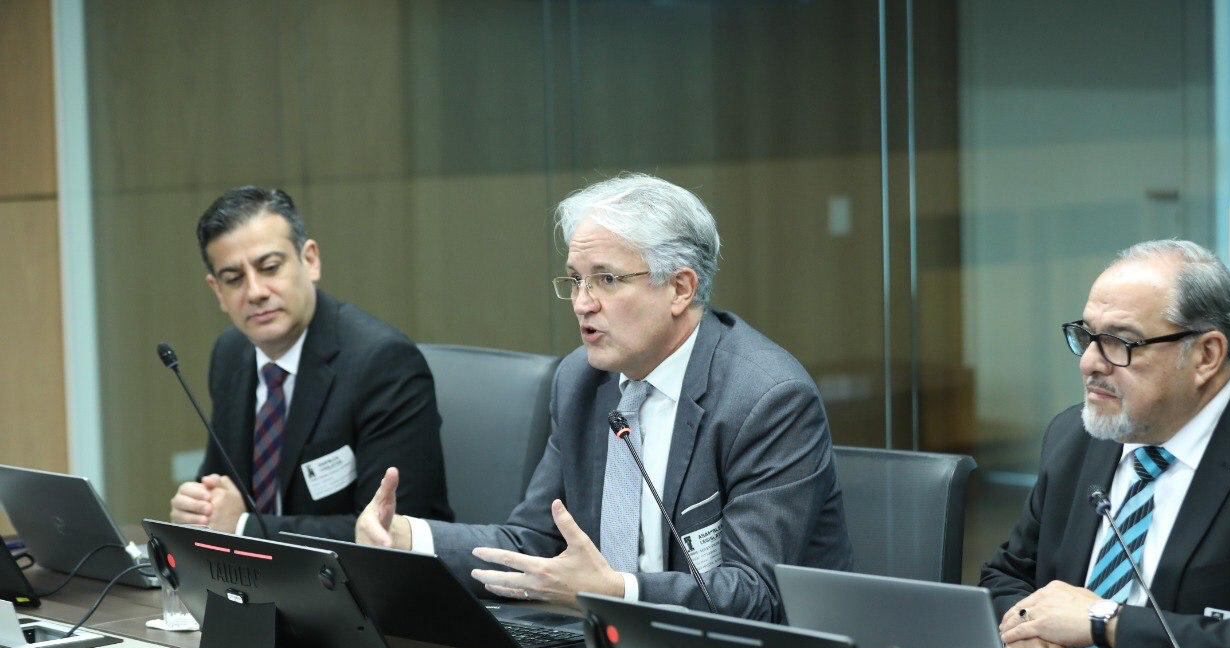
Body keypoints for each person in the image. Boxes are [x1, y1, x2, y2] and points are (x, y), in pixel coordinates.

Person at [357, 174, 851, 620]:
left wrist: (615, 592)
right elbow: (535, 543)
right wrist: (410, 539)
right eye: (575, 280)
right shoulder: (582, 381)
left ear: (679, 289)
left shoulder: (766, 399)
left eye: (606, 280)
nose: (581, 303)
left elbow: (755, 594)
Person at [983, 239, 1230, 648]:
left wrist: (1107, 623)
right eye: (1087, 336)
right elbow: (1009, 576)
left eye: (1121, 342)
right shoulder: (1076, 437)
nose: (1090, 363)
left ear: (1206, 354)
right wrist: (1028, 635)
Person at [169, 186, 452, 539]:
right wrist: (201, 507)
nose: (255, 291)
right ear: (217, 292)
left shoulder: (383, 363)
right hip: (264, 583)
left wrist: (244, 527)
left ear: (311, 260)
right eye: (234, 279)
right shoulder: (231, 354)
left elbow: (391, 528)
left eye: (270, 267)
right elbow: (222, 486)